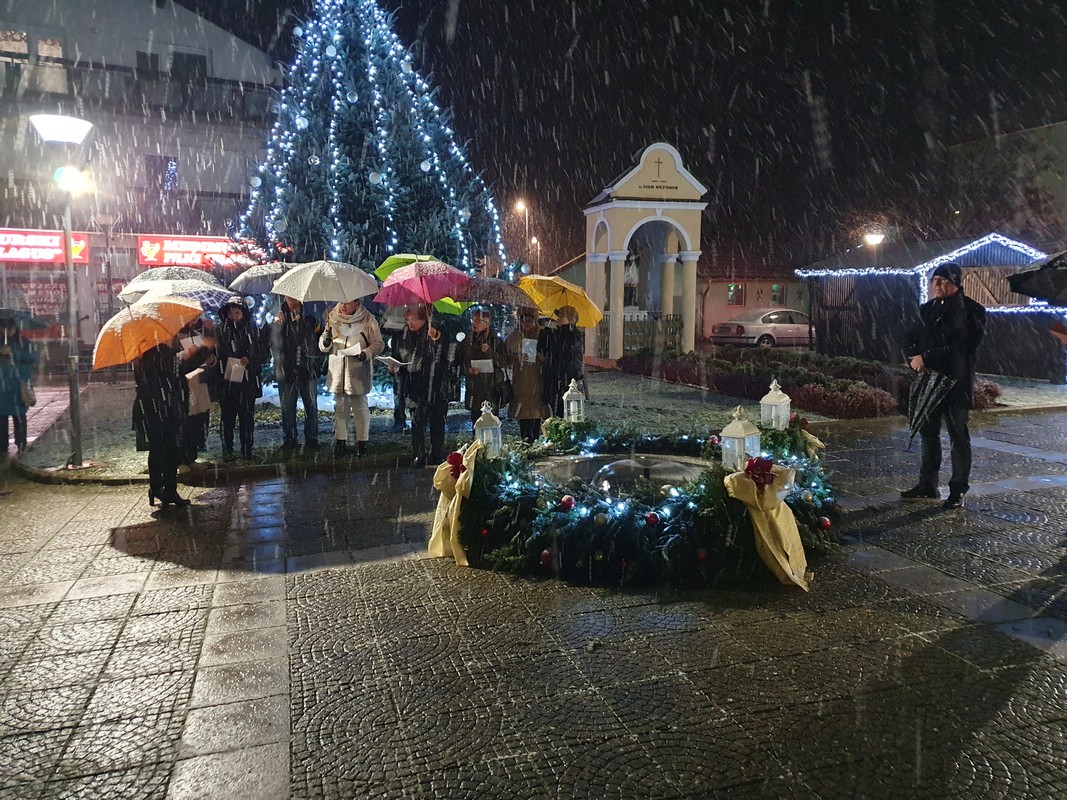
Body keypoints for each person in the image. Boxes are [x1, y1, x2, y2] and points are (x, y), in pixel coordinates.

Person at [901, 262, 987, 510]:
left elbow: (963, 347)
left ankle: (958, 489)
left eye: (943, 281)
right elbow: (910, 337)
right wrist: (914, 357)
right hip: (928, 382)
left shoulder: (973, 311)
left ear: (956, 283)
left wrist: (928, 358)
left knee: (958, 435)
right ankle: (927, 483)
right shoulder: (926, 309)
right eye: (934, 281)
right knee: (929, 434)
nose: (937, 286)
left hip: (956, 383)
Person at [319, 297, 384, 458]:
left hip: (358, 371)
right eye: (341, 302)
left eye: (347, 302)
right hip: (338, 370)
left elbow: (378, 343)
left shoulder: (367, 320)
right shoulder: (332, 318)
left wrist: (365, 353)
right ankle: (340, 442)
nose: (342, 305)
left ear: (356, 303)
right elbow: (323, 346)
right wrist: (325, 341)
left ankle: (362, 443)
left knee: (360, 408)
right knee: (341, 408)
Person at [391, 305, 451, 467]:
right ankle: (419, 454)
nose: (410, 323)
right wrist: (394, 367)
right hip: (414, 385)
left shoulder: (434, 330)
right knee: (417, 422)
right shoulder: (403, 335)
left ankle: (437, 454)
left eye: (413, 320)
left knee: (437, 422)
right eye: (407, 320)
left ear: (424, 319)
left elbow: (446, 352)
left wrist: (436, 336)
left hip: (435, 383)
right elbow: (398, 356)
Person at [133, 340, 189, 508]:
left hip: (159, 406)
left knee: (163, 448)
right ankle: (163, 489)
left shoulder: (145, 355)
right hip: (157, 406)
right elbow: (173, 377)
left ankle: (162, 489)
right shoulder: (159, 355)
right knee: (164, 448)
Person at [270, 296, 323, 452]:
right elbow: (271, 343)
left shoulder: (309, 319)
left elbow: (318, 345)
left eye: (295, 298)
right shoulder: (279, 320)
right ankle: (290, 438)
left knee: (311, 405)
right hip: (286, 370)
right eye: (289, 298)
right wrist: (276, 325)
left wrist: (321, 329)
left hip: (307, 369)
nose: (292, 301)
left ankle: (312, 438)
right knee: (288, 406)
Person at [215, 297, 261, 461]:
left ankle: (247, 449)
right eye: (230, 313)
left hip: (246, 381)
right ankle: (227, 450)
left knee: (246, 417)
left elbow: (260, 350)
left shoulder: (251, 329)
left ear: (243, 313)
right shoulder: (221, 330)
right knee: (227, 418)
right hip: (227, 381)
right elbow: (216, 353)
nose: (234, 316)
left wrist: (249, 358)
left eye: (237, 312)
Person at [175, 317, 217, 465]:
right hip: (186, 383)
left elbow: (211, 355)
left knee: (202, 412)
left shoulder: (200, 332)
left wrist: (211, 359)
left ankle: (199, 442)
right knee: (189, 416)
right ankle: (186, 454)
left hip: (200, 379)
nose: (194, 319)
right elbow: (176, 360)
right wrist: (186, 354)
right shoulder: (175, 335)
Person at [458, 307, 508, 427]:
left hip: (491, 387)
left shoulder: (495, 340)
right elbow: (461, 361)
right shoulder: (467, 341)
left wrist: (489, 351)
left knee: (491, 421)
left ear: (487, 323)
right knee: (476, 422)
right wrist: (468, 369)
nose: (474, 323)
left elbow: (503, 362)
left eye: (478, 321)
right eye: (472, 320)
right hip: (474, 387)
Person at [505, 306, 547, 443]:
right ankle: (525, 440)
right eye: (523, 321)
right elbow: (504, 358)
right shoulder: (514, 336)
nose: (526, 324)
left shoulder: (543, 335)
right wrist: (516, 358)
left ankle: (535, 439)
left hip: (538, 380)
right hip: (521, 381)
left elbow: (551, 356)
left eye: (530, 321)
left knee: (536, 413)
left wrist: (543, 358)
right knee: (523, 415)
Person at [538, 305, 585, 417]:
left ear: (571, 319)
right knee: (555, 413)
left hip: (568, 380)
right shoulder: (554, 333)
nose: (558, 318)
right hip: (554, 380)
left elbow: (566, 350)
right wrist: (544, 337)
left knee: (568, 413)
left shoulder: (576, 335)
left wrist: (555, 335)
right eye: (558, 315)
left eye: (562, 315)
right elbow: (544, 351)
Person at [0, 317, 35, 454]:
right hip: (2, 386)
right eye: (3, 327)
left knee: (19, 415)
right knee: (1, 417)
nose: (7, 331)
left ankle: (21, 442)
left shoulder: (24, 342)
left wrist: (14, 353)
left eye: (10, 328)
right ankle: (2, 445)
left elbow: (32, 358)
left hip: (19, 384)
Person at [380, 303, 409, 432]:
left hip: (415, 351)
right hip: (397, 350)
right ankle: (399, 420)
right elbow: (382, 325)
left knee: (417, 391)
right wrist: (388, 327)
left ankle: (420, 420)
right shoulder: (393, 304)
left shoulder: (420, 302)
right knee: (398, 391)